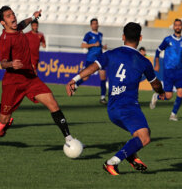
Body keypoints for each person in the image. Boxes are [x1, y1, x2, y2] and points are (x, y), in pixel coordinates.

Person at [66, 22, 165, 176]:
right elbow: (156, 85)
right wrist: (161, 91)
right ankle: (112, 162)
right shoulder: (143, 61)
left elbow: (93, 67)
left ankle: (130, 154)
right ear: (140, 38)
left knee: (142, 133)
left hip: (112, 109)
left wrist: (75, 80)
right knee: (144, 138)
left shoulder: (111, 54)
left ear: (123, 37)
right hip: (128, 107)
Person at [0, 6, 78, 144]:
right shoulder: (4, 38)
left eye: (13, 14)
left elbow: (24, 22)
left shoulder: (18, 28)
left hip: (31, 79)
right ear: (3, 22)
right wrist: (11, 64)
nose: (13, 17)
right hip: (13, 83)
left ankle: (69, 139)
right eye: (8, 16)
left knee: (53, 104)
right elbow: (2, 63)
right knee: (4, 120)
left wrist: (33, 17)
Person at [149, 19, 182, 121]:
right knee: (168, 96)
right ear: (173, 27)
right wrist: (156, 64)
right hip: (169, 71)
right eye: (176, 25)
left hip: (179, 71)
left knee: (181, 93)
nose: (178, 27)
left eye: (179, 25)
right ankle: (157, 96)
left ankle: (173, 114)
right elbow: (158, 51)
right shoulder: (167, 40)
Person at [76, 18, 108, 104]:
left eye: (96, 23)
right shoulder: (88, 35)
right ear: (91, 25)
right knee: (86, 77)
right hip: (91, 59)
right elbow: (83, 45)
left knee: (103, 77)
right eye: (93, 23)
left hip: (100, 59)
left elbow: (98, 45)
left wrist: (102, 47)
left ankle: (102, 97)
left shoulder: (100, 34)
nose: (95, 25)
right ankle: (75, 85)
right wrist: (94, 44)